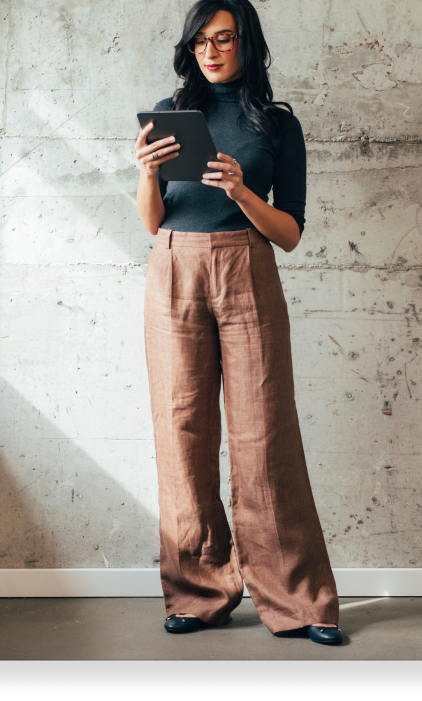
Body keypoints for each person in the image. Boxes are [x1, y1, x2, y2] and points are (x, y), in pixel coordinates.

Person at [135, 0, 342, 645]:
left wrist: (241, 190)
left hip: (248, 265)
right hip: (174, 269)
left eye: (223, 39)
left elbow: (291, 233)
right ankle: (198, 593)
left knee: (264, 433)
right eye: (201, 41)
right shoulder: (173, 118)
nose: (211, 51)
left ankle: (299, 601)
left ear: (246, 44)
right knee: (182, 429)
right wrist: (145, 173)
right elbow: (152, 220)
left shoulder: (276, 124)